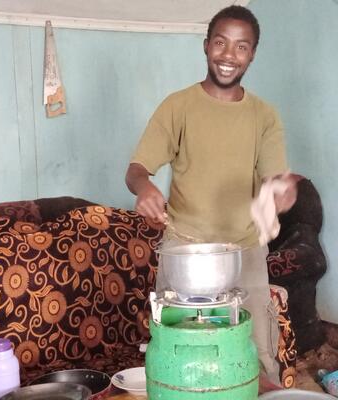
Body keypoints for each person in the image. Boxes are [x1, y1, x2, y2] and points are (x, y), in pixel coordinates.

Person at [125, 5, 297, 388]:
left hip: (244, 251)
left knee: (255, 356)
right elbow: (136, 170)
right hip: (184, 252)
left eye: (241, 47)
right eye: (220, 43)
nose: (228, 55)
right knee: (180, 354)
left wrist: (279, 192)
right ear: (206, 46)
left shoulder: (264, 116)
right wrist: (145, 187)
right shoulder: (178, 106)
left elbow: (274, 178)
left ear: (252, 54)